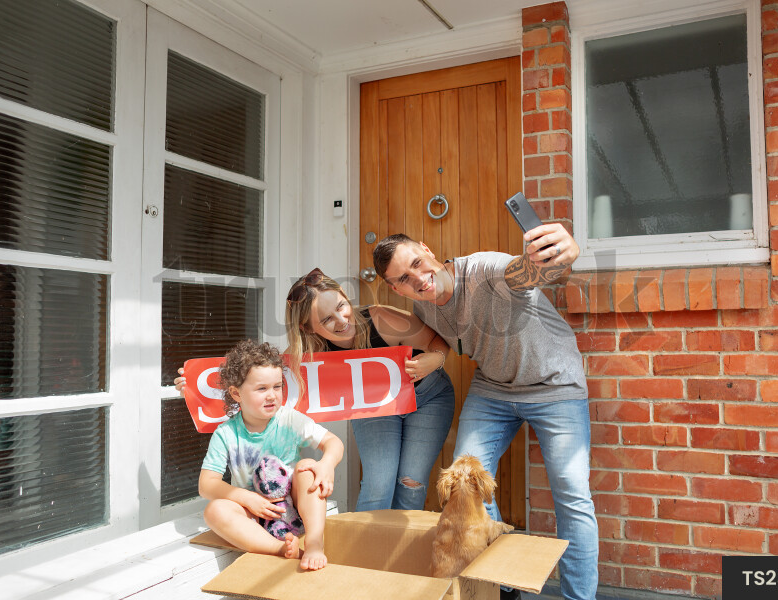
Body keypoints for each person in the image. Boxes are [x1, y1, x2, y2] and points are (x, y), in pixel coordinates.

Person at [371, 224, 598, 600]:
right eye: (404, 279)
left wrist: (560, 255)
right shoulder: (421, 305)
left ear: (427, 249)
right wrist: (437, 355)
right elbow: (440, 335)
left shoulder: (484, 270)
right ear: (396, 289)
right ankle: (500, 586)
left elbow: (528, 272)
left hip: (555, 386)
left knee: (572, 495)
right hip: (493, 389)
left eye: (416, 263)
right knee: (466, 488)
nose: (418, 279)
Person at [285, 267, 455, 511]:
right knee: (379, 483)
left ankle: (402, 547)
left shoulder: (381, 319)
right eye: (326, 319)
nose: (342, 320)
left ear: (345, 295)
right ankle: (367, 549)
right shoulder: (311, 360)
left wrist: (436, 358)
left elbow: (435, 341)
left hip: (428, 397)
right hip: (375, 406)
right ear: (308, 328)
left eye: (341, 306)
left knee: (411, 483)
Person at [197, 339, 343, 571]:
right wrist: (247, 499)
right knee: (214, 510)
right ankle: (280, 548)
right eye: (262, 389)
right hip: (253, 517)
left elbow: (333, 442)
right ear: (236, 393)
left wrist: (327, 464)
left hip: (293, 508)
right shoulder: (226, 433)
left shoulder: (289, 419)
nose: (272, 395)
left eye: (277, 386)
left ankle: (315, 541)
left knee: (307, 466)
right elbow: (206, 485)